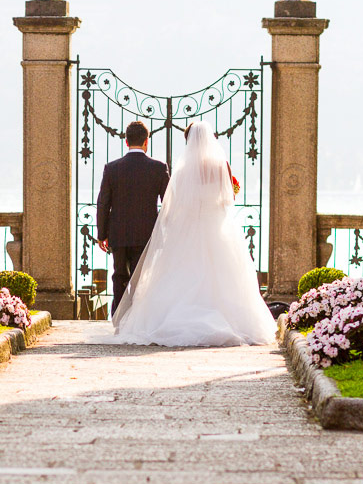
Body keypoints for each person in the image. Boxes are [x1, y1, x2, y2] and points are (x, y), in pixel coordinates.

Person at [103, 121, 275, 346]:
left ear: (188, 142)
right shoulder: (221, 166)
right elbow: (228, 199)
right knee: (223, 275)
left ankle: (132, 317)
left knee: (183, 273)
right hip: (216, 230)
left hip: (190, 230)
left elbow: (173, 205)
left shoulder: (183, 171)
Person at [96, 121, 170, 316]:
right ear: (147, 141)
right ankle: (139, 318)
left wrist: (101, 234)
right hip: (146, 235)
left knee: (119, 276)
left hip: (118, 233)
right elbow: (169, 202)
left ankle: (118, 319)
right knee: (142, 278)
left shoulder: (111, 168)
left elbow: (103, 203)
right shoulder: (158, 168)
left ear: (126, 142)